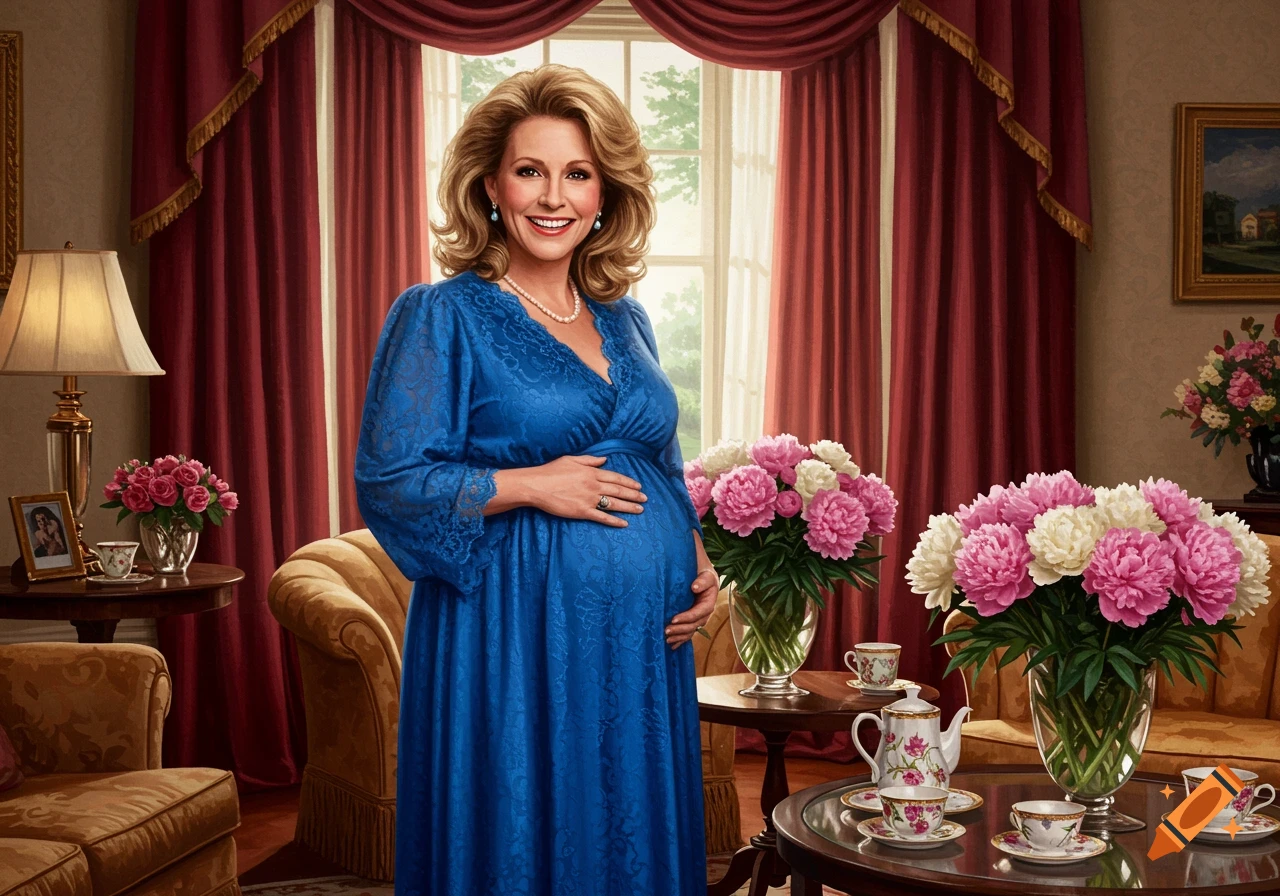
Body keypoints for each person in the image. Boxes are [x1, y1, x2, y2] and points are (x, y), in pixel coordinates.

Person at [355, 65, 719, 895]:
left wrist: (694, 557)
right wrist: (528, 485)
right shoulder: (439, 313)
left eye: (577, 173)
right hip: (512, 633)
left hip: (641, 642)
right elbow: (390, 479)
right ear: (490, 185)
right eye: (530, 171)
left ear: (605, 193)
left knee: (627, 832)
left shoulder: (627, 317)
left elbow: (655, 458)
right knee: (526, 828)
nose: (553, 197)